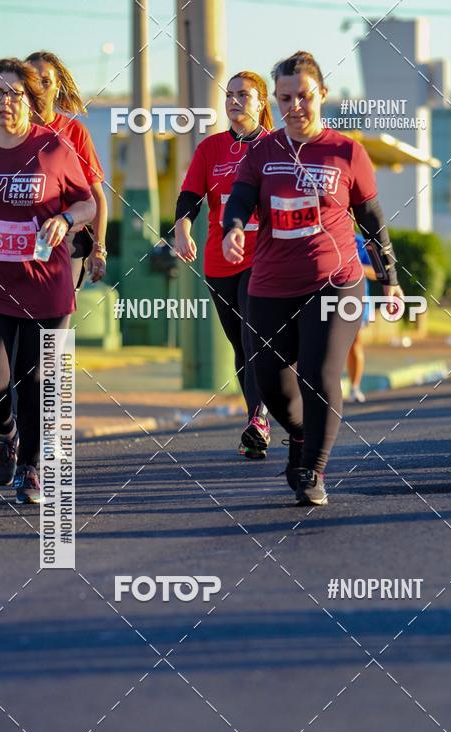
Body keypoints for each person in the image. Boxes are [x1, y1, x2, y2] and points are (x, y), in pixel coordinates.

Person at [222, 51, 402, 506]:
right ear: (275, 101)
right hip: (270, 284)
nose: (294, 106)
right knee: (270, 383)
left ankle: (313, 470)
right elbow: (240, 199)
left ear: (321, 94)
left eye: (303, 96)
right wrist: (234, 229)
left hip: (335, 281)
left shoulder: (346, 151)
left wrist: (389, 278)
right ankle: (300, 435)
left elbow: (371, 217)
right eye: (285, 98)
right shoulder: (262, 151)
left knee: (319, 376)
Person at [0, 59, 95, 503]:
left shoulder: (55, 148)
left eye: (16, 94)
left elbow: (87, 204)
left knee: (37, 377)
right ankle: (5, 433)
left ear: (32, 101)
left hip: (45, 280)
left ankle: (30, 468)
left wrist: (66, 218)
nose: (6, 102)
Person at [174, 71, 273, 459]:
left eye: (243, 95)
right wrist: (182, 230)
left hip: (264, 258)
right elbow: (189, 197)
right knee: (240, 345)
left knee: (253, 340)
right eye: (229, 95)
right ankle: (257, 417)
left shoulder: (276, 147)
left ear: (261, 102)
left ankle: (260, 420)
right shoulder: (210, 148)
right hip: (219, 262)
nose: (234, 101)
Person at [26, 51, 107, 289]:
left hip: (67, 241)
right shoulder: (9, 133)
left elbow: (97, 198)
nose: (38, 88)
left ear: (57, 87)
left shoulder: (74, 132)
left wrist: (99, 248)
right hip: (17, 240)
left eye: (45, 81)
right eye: (31, 81)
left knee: (56, 323)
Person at [346, 232, 376, 403]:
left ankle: (355, 387)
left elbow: (376, 271)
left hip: (357, 299)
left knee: (355, 343)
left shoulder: (360, 242)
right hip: (329, 298)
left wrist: (355, 266)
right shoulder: (324, 238)